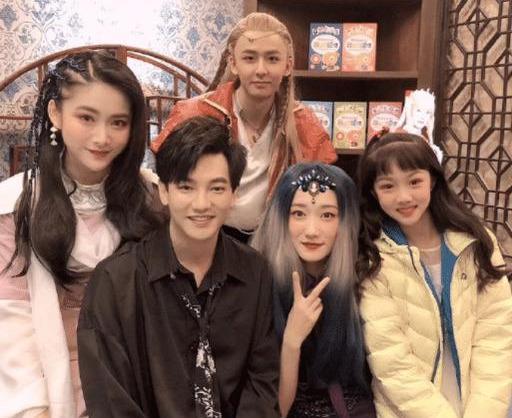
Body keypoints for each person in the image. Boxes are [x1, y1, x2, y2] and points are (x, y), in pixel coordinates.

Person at [78, 116, 280, 418]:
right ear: (164, 191)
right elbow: (110, 401)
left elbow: (262, 383)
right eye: (186, 187)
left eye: (217, 188)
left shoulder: (255, 272)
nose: (201, 204)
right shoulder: (115, 281)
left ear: (234, 195)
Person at [0, 51, 160, 418]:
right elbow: (11, 324)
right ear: (55, 113)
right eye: (86, 117)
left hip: (131, 380)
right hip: (46, 384)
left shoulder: (151, 198)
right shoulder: (15, 206)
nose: (102, 137)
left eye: (118, 122)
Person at [357, 132, 512, 417]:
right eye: (388, 186)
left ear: (433, 180)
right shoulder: (373, 259)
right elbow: (392, 364)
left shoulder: (477, 243)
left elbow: (497, 339)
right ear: (373, 193)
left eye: (414, 181)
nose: (404, 197)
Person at [150, 12, 337, 240]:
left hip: (274, 241)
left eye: (272, 59)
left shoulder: (303, 123)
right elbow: (166, 177)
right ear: (233, 63)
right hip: (204, 234)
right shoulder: (194, 112)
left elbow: (319, 192)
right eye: (249, 58)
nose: (261, 70)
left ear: (287, 66)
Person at [252, 163, 376, 417]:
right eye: (298, 214)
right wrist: (291, 341)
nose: (311, 231)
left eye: (327, 215)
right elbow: (274, 409)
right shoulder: (258, 283)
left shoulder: (368, 276)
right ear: (281, 218)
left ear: (345, 221)